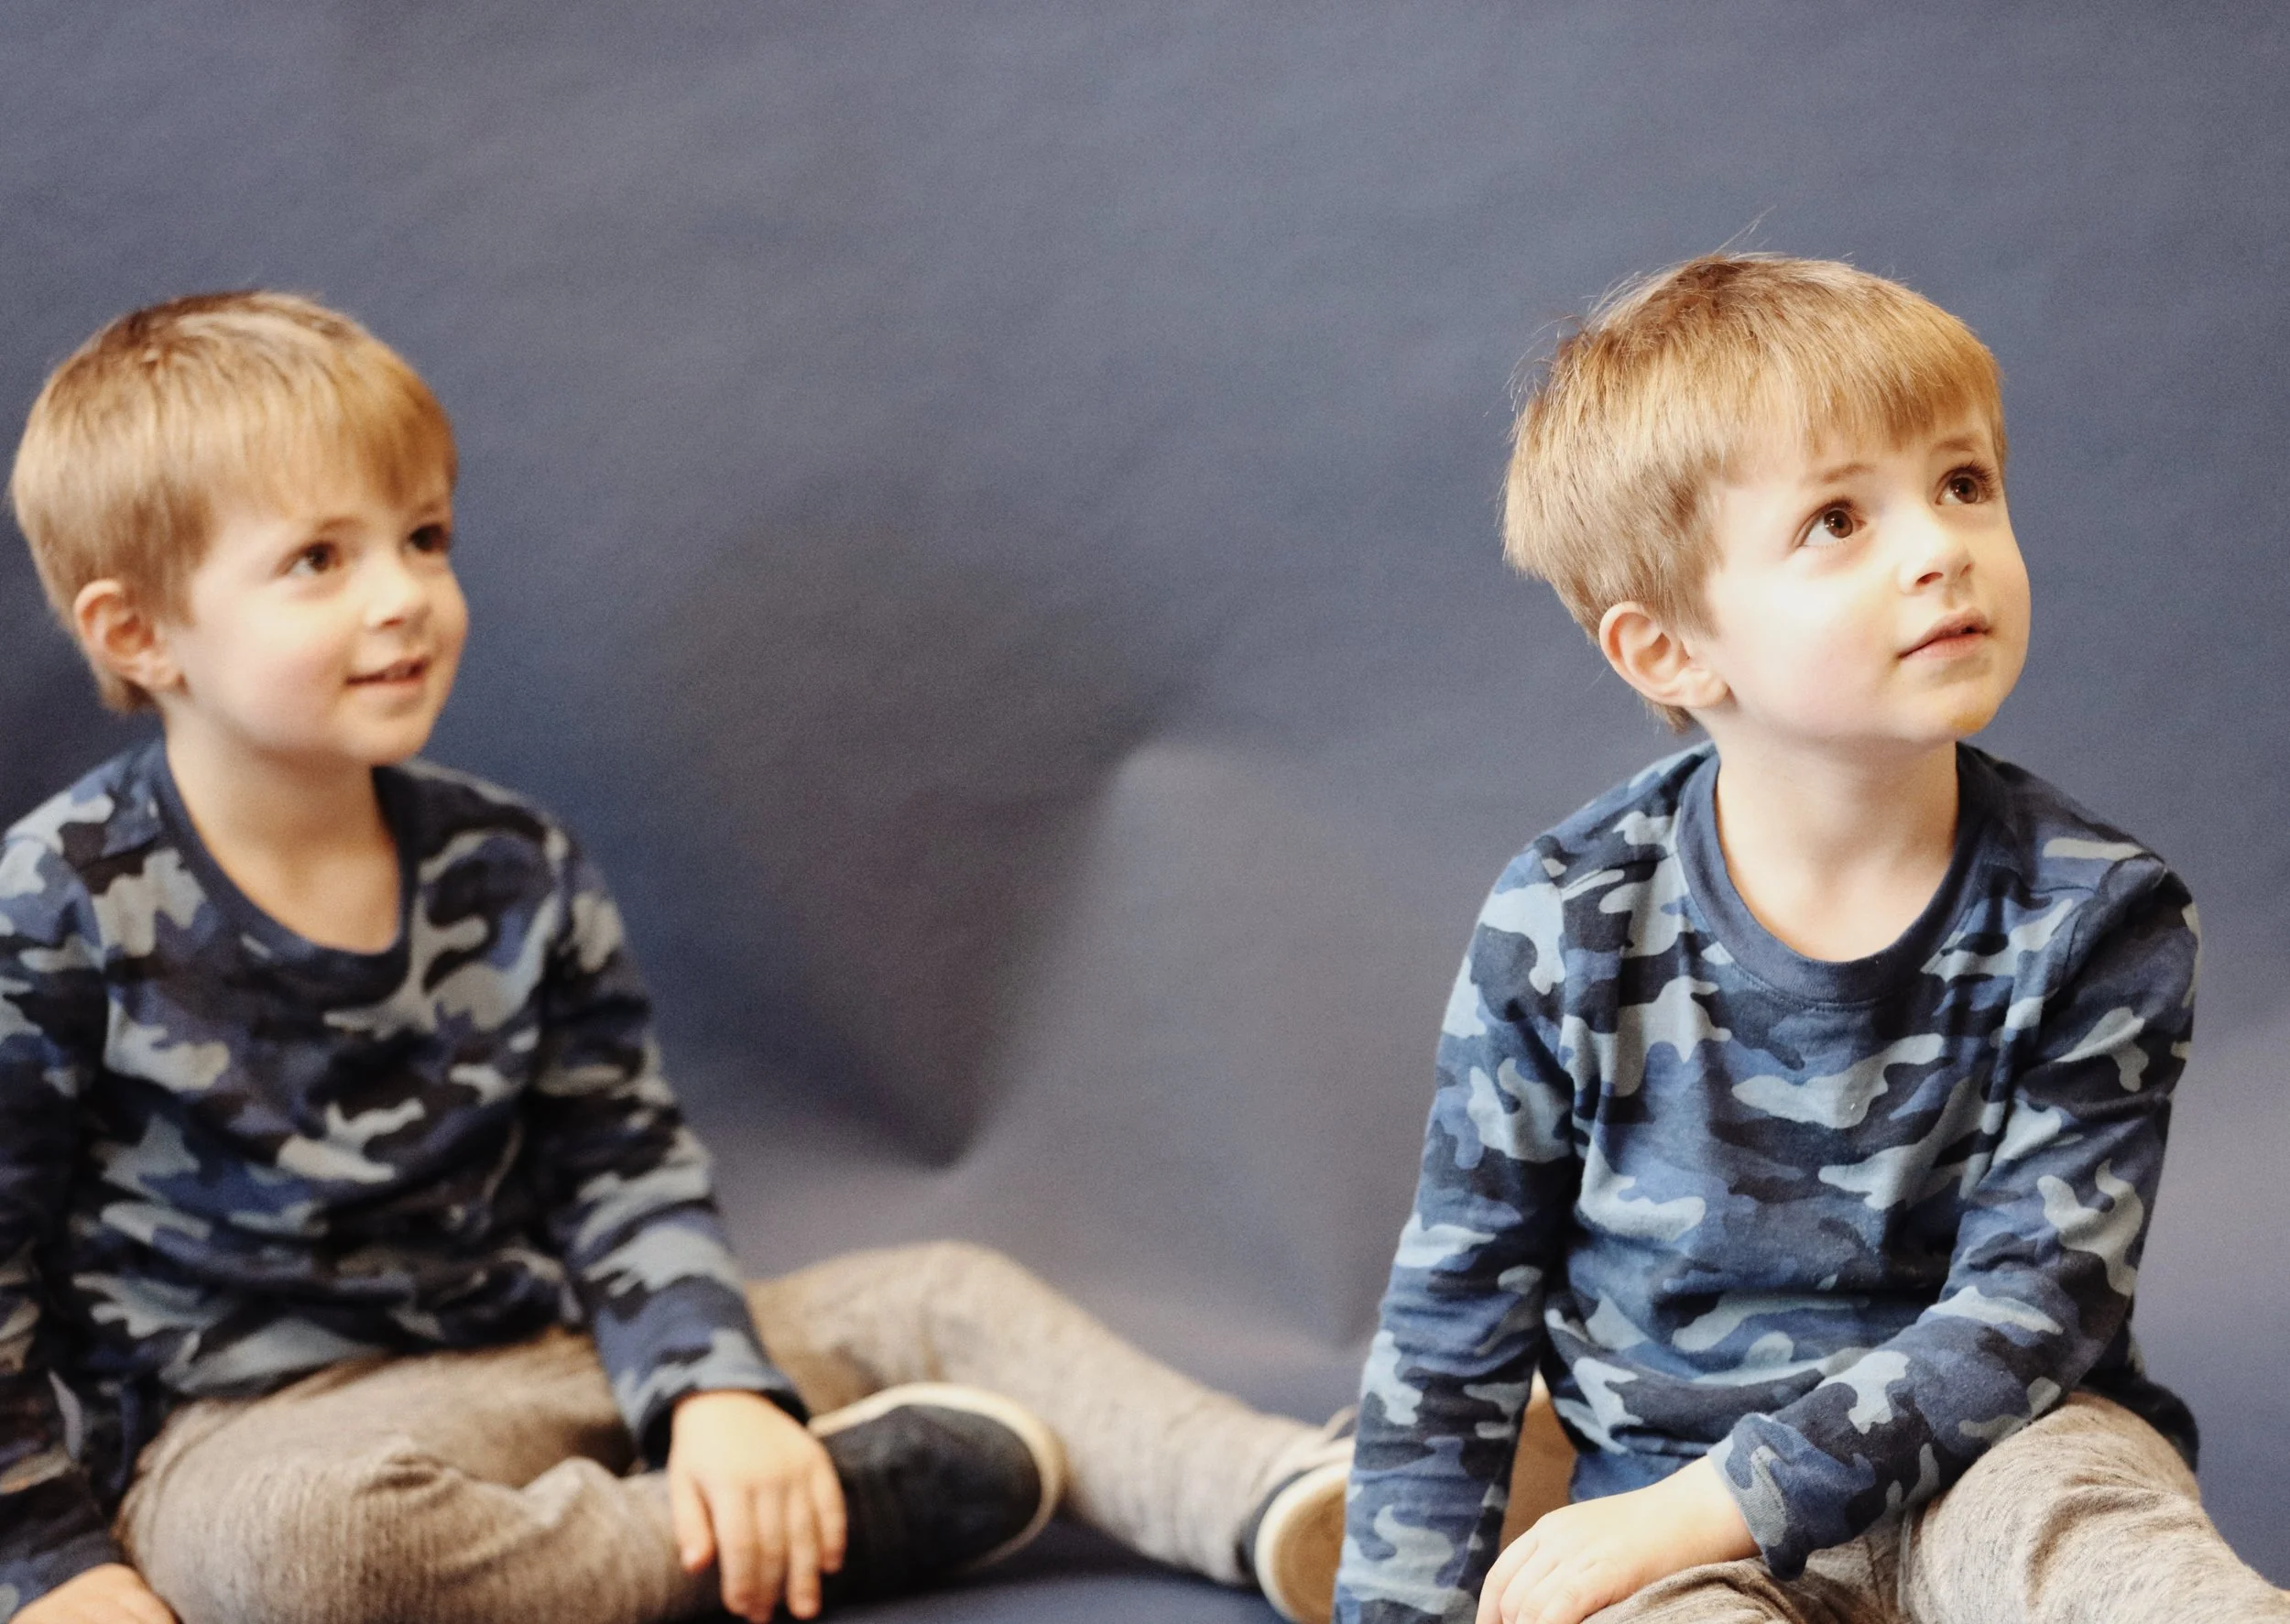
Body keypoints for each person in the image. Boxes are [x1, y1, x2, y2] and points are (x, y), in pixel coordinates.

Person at [0, 291, 1351, 1624]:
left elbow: (620, 1167)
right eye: (319, 561)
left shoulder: (512, 864)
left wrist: (709, 1386)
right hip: (247, 1444)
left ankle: (1305, 1500)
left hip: (550, 1366)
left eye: (423, 539)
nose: (405, 597)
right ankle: (819, 1520)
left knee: (951, 1295)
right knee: (306, 1559)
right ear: (138, 633)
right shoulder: (60, 900)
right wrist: (56, 1572)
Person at [1327, 255, 2290, 1624]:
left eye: (1963, 483)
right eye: (1839, 518)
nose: (1939, 545)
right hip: (1677, 1526)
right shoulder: (1564, 923)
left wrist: (1718, 1496)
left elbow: (2033, 1309)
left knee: (2093, 1530)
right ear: (1670, 650)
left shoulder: (2101, 915)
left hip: (1993, 1465)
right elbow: (1454, 1320)